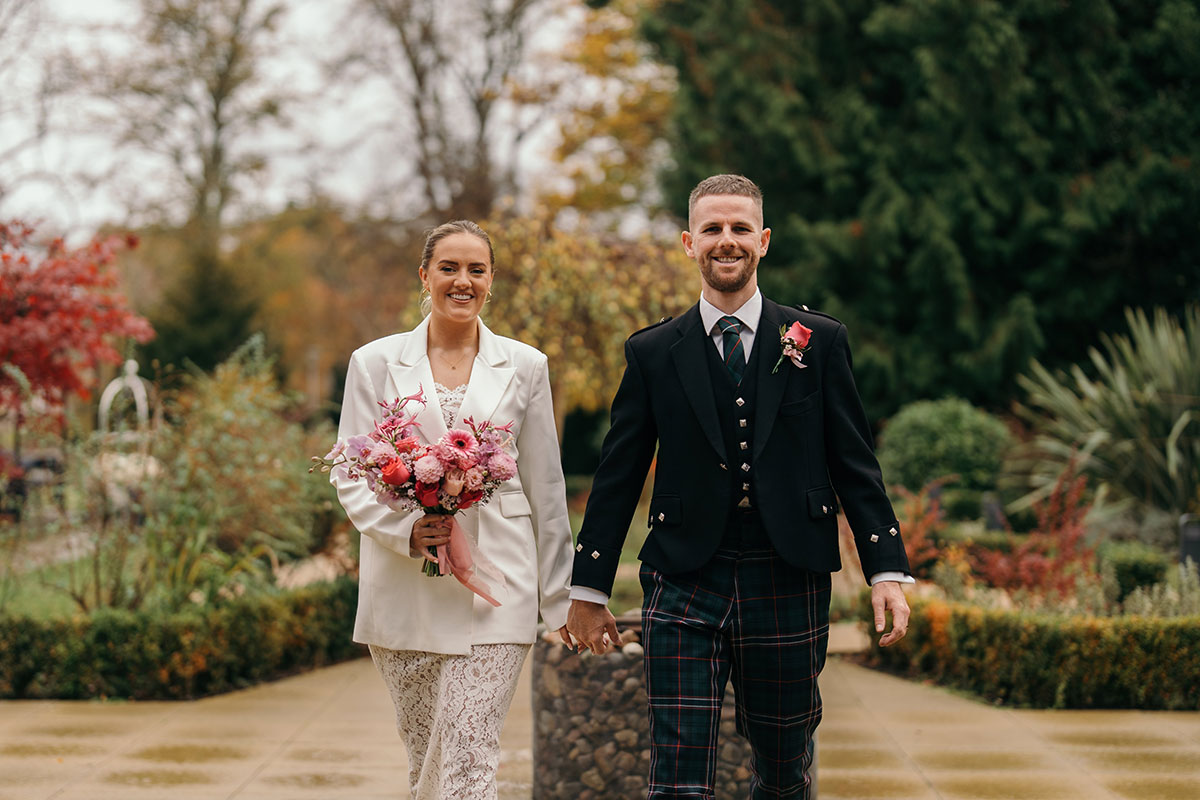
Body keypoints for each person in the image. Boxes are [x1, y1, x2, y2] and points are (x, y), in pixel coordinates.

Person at [567, 175, 913, 799]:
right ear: (688, 242)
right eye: (712, 229)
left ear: (764, 239)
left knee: (783, 771)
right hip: (682, 577)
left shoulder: (820, 341)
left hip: (789, 573)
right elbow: (618, 475)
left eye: (740, 228)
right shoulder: (651, 352)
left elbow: (855, 463)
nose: (727, 241)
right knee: (677, 775)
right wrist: (588, 586)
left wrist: (886, 567)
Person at [331, 220, 574, 800]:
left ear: (491, 281)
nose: (462, 281)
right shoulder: (372, 363)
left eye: (476, 269)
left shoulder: (526, 366)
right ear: (425, 275)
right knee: (426, 766)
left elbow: (547, 488)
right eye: (449, 267)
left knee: (468, 759)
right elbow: (349, 469)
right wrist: (405, 530)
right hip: (402, 592)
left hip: (497, 587)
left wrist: (561, 598)